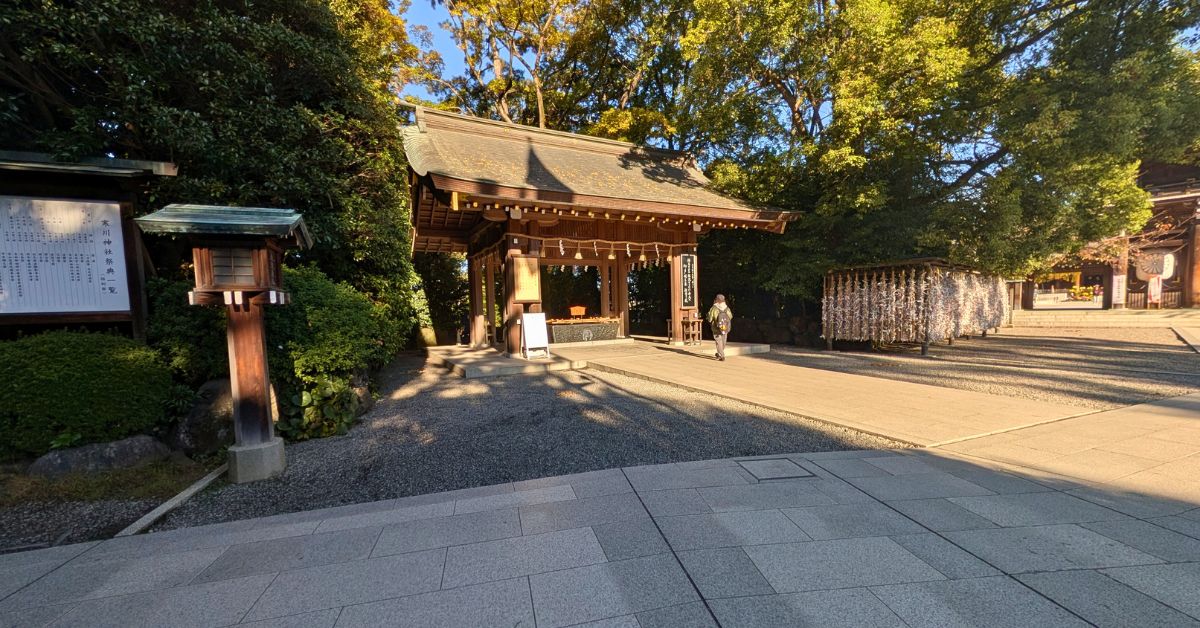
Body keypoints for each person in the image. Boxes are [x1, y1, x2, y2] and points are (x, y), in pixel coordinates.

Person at [706, 294, 732, 361]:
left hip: (716, 328)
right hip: (725, 327)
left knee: (718, 341)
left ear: (716, 300)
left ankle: (721, 355)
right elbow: (730, 316)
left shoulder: (714, 308)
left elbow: (710, 319)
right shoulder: (726, 308)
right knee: (723, 341)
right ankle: (720, 353)